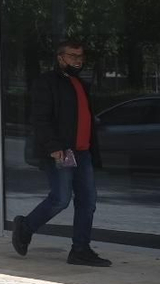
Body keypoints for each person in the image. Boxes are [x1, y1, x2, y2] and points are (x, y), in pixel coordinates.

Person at [12, 40, 111, 267]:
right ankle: (25, 227)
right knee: (60, 199)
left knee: (88, 201)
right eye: (72, 56)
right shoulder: (46, 82)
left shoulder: (81, 84)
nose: (78, 60)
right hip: (62, 152)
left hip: (82, 153)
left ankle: (80, 250)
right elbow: (40, 118)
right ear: (60, 58)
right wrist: (53, 147)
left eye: (80, 56)